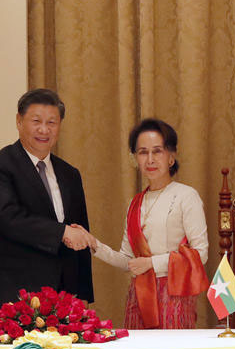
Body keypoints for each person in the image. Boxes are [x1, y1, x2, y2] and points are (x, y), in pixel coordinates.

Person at [0, 89, 95, 315]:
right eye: (36, 121)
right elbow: (7, 218)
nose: (44, 130)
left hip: (64, 300)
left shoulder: (70, 174)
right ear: (19, 121)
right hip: (14, 297)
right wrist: (61, 232)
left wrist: (84, 294)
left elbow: (79, 231)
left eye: (52, 122)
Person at [88, 118, 209, 328]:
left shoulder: (186, 196)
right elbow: (128, 260)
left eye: (157, 151)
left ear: (171, 156)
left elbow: (201, 254)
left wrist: (151, 263)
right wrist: (94, 245)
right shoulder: (135, 203)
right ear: (135, 158)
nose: (150, 159)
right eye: (143, 152)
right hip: (140, 295)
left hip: (175, 294)